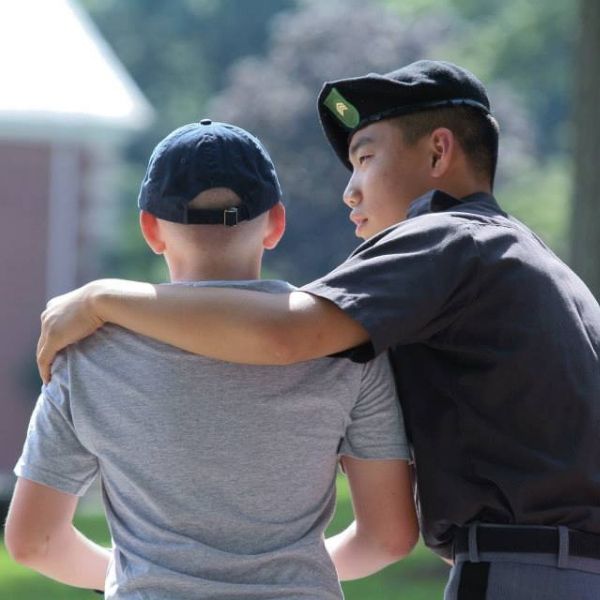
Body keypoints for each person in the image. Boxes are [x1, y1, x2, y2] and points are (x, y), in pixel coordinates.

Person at [35, 60, 600, 599]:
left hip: (529, 569)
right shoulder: (518, 253)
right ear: (274, 223)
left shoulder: (447, 237)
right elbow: (387, 533)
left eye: (365, 158)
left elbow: (285, 334)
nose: (349, 191)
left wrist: (102, 299)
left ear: (438, 152)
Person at [6, 121, 418, 599]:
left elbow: (34, 541)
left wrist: (136, 576)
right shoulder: (346, 345)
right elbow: (388, 536)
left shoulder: (86, 354)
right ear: (276, 224)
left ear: (150, 230)